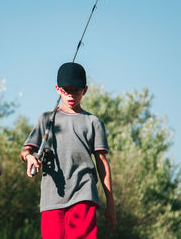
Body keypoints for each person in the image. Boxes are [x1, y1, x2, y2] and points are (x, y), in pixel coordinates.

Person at [20, 62, 116, 239]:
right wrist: (29, 158)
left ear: (85, 90)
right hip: (51, 198)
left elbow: (102, 163)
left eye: (76, 90)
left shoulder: (93, 122)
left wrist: (110, 204)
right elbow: (26, 150)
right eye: (66, 90)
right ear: (57, 89)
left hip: (83, 194)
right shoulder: (46, 119)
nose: (71, 95)